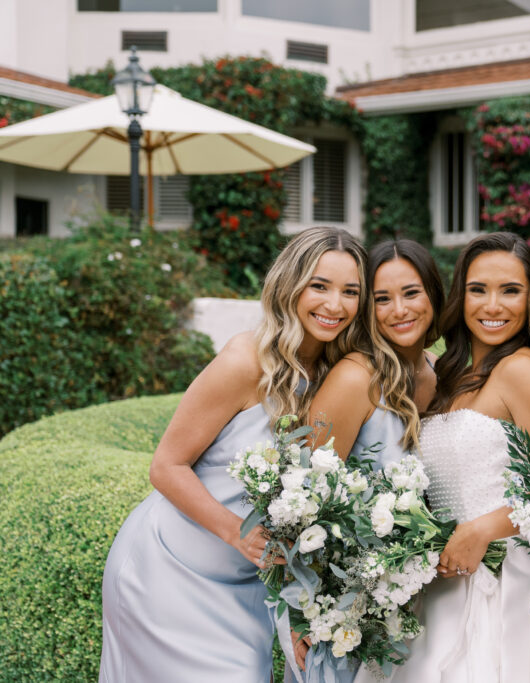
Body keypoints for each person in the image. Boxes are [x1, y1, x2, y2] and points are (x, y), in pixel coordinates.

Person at [99, 227, 368, 683]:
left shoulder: (340, 375)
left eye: (351, 292)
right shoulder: (246, 360)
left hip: (247, 588)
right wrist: (236, 533)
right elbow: (166, 466)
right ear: (289, 285)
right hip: (167, 572)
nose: (334, 304)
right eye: (319, 286)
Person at [365, 231, 530, 683]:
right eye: (478, 290)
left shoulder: (522, 371)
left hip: (512, 586)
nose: (492, 306)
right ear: (461, 294)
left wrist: (486, 527)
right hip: (439, 585)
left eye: (511, 291)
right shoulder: (444, 374)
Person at [289, 239, 445, 681]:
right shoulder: (354, 377)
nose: (399, 310)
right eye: (381, 299)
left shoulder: (437, 371)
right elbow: (302, 497)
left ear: (433, 294)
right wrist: (307, 610)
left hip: (410, 600)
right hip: (344, 609)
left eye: (411, 293)